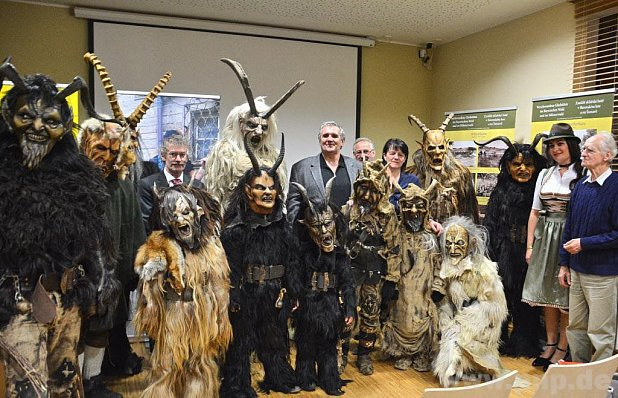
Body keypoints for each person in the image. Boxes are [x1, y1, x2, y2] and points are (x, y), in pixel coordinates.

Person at [0, 60, 119, 396]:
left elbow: (95, 237)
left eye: (50, 121)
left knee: (66, 385)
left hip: (67, 299)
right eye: (26, 116)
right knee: (27, 389)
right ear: (10, 117)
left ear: (65, 126)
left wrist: (100, 280)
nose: (37, 127)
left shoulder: (79, 177)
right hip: (16, 302)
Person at [219, 134, 300, 397]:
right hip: (246, 294)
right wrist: (233, 295)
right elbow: (228, 267)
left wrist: (293, 291)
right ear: (247, 191)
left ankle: (279, 378)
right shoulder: (235, 229)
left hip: (275, 294)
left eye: (271, 188)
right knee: (240, 343)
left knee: (275, 339)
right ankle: (237, 386)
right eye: (260, 187)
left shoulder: (284, 228)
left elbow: (293, 262)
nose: (266, 192)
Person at [133, 183, 232, 397]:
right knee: (166, 365)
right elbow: (148, 290)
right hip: (172, 316)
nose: (179, 220)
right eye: (172, 216)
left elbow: (220, 286)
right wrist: (151, 311)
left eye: (185, 213)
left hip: (201, 317)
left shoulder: (211, 249)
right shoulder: (159, 248)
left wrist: (221, 318)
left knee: (199, 363)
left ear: (198, 213)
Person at [78, 118, 147, 396]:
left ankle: (92, 382)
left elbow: (134, 230)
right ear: (85, 146)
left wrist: (133, 270)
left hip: (111, 275)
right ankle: (74, 385)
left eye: (112, 151)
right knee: (76, 332)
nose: (106, 157)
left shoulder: (123, 186)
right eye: (100, 149)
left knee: (101, 328)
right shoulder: (71, 184)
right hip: (77, 278)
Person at [522, 123, 585, 370]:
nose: (556, 149)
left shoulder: (581, 174)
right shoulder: (544, 174)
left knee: (564, 297)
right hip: (544, 237)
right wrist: (529, 246)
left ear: (571, 146)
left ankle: (563, 346)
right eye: (552, 146)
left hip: (567, 236)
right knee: (547, 295)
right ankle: (549, 344)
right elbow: (535, 212)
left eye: (560, 144)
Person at [202, 58, 303, 211]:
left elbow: (279, 193)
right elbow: (217, 194)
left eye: (264, 127)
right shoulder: (225, 153)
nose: (258, 132)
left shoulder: (273, 156)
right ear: (240, 123)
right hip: (235, 221)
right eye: (252, 125)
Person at [478, 135, 547, 358]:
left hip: (530, 254)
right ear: (508, 166)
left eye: (528, 165)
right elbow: (490, 224)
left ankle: (525, 342)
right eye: (517, 164)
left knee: (528, 301)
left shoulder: (539, 192)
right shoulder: (500, 191)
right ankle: (498, 339)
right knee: (502, 298)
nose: (523, 169)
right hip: (505, 252)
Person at [289, 178, 355, 395]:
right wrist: (295, 297)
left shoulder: (340, 254)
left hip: (329, 304)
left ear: (335, 221)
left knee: (328, 346)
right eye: (317, 226)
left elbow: (347, 283)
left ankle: (329, 380)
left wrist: (350, 309)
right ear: (307, 228)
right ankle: (305, 377)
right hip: (308, 303)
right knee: (305, 345)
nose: (325, 231)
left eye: (328, 224)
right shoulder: (302, 252)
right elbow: (295, 277)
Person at [559, 132, 618, 363]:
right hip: (577, 271)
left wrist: (584, 244)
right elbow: (569, 227)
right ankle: (579, 376)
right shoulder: (581, 186)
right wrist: (564, 264)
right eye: (583, 149)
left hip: (603, 274)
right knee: (576, 327)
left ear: (607, 156)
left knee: (601, 333)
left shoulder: (616, 186)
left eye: (589, 150)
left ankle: (599, 384)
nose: (582, 153)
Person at [434, 216, 508, 387]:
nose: (453, 249)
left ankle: (467, 369)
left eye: (459, 243)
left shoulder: (484, 270)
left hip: (480, 324)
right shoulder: (447, 268)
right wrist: (445, 319)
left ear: (471, 243)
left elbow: (495, 308)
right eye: (449, 243)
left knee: (455, 340)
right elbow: (445, 299)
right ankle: (453, 369)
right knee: (448, 337)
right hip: (456, 318)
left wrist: (464, 323)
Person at [345, 159, 402, 375]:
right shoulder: (348, 210)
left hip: (374, 274)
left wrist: (392, 280)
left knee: (371, 316)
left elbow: (394, 249)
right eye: (363, 189)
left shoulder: (387, 216)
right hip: (350, 273)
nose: (367, 196)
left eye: (373, 191)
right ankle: (340, 354)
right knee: (345, 313)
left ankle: (364, 355)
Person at [381, 180, 443, 372]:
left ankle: (422, 353)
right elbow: (391, 257)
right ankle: (403, 353)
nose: (414, 211)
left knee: (423, 318)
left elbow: (439, 264)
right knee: (402, 318)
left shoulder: (431, 237)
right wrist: (390, 283)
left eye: (419, 205)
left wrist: (438, 287)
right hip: (403, 290)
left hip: (424, 291)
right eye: (408, 206)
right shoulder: (396, 234)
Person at [407, 114, 479, 223]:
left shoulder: (461, 174)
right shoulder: (412, 175)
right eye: (431, 148)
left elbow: (470, 211)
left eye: (441, 147)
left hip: (452, 234)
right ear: (422, 148)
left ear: (446, 145)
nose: (437, 152)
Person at [287, 121, 362, 224]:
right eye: (325, 136)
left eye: (334, 136)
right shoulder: (300, 168)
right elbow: (293, 205)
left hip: (350, 234)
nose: (329, 139)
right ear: (320, 140)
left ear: (342, 142)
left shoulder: (358, 167)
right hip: (315, 235)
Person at [138, 134, 203, 233]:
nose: (178, 159)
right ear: (163, 156)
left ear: (187, 158)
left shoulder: (197, 186)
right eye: (173, 154)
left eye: (182, 155)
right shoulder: (147, 185)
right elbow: (144, 224)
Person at [382, 138, 420, 213]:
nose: (396, 157)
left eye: (400, 155)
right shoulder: (375, 179)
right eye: (392, 153)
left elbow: (418, 205)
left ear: (405, 159)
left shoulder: (412, 181)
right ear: (384, 156)